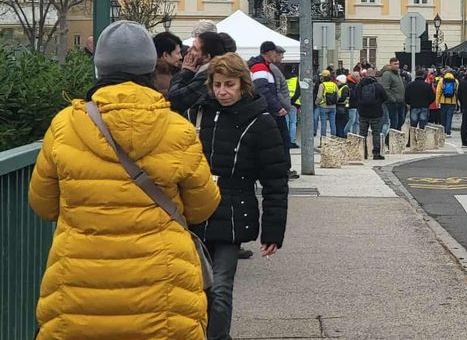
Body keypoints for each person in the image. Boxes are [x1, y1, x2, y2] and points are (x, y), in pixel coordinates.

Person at [29, 22, 221, 340]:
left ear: (99, 68)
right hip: (164, 293)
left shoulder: (65, 126)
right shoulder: (177, 128)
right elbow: (202, 208)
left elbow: (43, 204)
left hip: (80, 291)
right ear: (149, 67)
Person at [192, 53, 289, 340]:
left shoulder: (261, 122)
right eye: (218, 84)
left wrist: (273, 231)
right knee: (195, 287)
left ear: (243, 84)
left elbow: (275, 179)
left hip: (232, 211)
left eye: (229, 84)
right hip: (194, 211)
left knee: (220, 286)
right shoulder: (198, 112)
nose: (222, 91)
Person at [249, 42, 298, 179]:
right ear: (269, 53)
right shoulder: (260, 67)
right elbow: (262, 89)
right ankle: (279, 170)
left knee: (280, 140)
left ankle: (279, 169)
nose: (277, 55)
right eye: (275, 53)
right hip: (270, 111)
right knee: (278, 141)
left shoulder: (265, 66)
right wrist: (278, 107)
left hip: (270, 109)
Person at [168, 31, 228, 121]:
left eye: (195, 49)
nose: (188, 50)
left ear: (206, 57)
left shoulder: (208, 76)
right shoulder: (202, 71)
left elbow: (174, 99)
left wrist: (185, 72)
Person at [354, 67, 388, 160]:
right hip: (376, 113)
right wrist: (378, 103)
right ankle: (376, 154)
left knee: (362, 133)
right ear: (373, 74)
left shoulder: (359, 85)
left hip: (363, 113)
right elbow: (385, 97)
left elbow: (355, 96)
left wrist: (360, 105)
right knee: (376, 134)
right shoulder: (378, 86)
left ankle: (363, 153)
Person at [153, 31, 183, 96]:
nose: (181, 57)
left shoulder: (173, 71)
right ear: (165, 55)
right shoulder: (158, 79)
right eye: (178, 53)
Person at [316, 70, 339, 139]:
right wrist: (334, 101)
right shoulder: (334, 84)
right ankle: (333, 139)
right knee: (333, 123)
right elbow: (338, 96)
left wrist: (317, 103)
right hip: (333, 107)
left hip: (323, 106)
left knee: (323, 124)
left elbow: (319, 96)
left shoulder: (322, 85)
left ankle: (323, 141)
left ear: (323, 77)